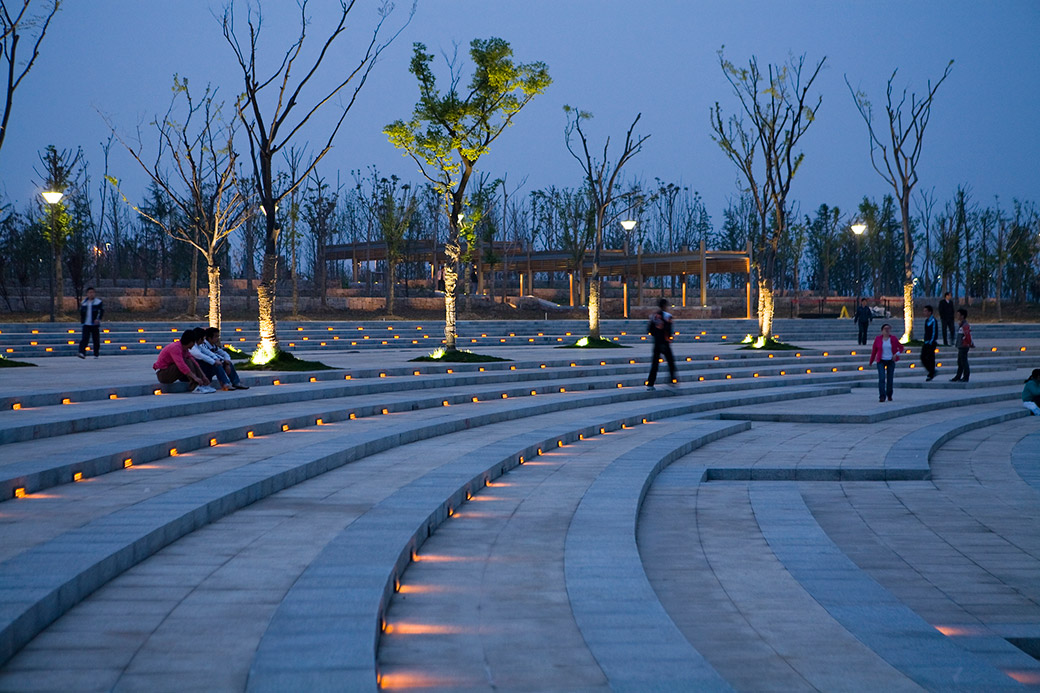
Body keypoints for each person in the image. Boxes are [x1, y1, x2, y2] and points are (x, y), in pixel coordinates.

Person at [645, 298, 677, 391]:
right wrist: (669, 338)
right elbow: (669, 329)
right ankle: (672, 380)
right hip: (665, 343)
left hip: (656, 343)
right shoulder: (668, 316)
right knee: (671, 362)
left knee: (655, 364)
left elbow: (649, 330)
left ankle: (650, 383)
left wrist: (656, 335)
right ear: (665, 306)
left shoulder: (654, 316)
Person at [869, 323, 904, 402]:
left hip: (890, 360)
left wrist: (896, 354)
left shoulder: (893, 339)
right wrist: (871, 361)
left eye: (888, 329)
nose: (887, 330)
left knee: (890, 378)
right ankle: (882, 396)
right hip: (881, 360)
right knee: (881, 378)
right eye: (885, 329)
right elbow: (874, 351)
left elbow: (901, 348)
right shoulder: (878, 339)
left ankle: (889, 394)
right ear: (882, 330)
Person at [77, 287, 103, 359]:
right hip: (86, 323)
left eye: (92, 292)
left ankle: (96, 353)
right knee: (85, 338)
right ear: (87, 294)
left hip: (94, 324)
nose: (91, 294)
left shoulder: (98, 302)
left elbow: (101, 312)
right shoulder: (84, 303)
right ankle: (82, 352)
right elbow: (81, 313)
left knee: (96, 339)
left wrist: (98, 319)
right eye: (89, 292)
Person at [951, 308, 973, 382]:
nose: (957, 316)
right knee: (960, 362)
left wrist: (969, 344)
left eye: (958, 315)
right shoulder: (962, 325)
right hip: (961, 346)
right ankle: (958, 376)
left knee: (963, 362)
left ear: (962, 316)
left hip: (964, 346)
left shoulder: (965, 325)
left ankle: (965, 377)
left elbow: (967, 336)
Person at [921, 305, 939, 381]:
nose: (924, 312)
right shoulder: (926, 321)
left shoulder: (933, 321)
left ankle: (931, 373)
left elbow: (934, 332)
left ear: (930, 312)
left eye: (926, 311)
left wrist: (931, 341)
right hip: (926, 342)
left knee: (931, 358)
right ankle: (931, 371)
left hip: (931, 343)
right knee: (923, 357)